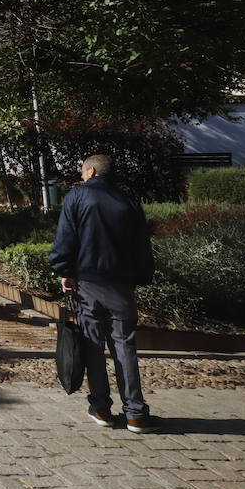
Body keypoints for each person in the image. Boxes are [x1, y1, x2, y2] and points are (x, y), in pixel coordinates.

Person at [49, 153, 157, 433]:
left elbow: (66, 237)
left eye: (83, 171)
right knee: (124, 346)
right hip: (122, 285)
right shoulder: (129, 201)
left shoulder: (77, 196)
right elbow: (141, 244)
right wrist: (142, 276)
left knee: (93, 346)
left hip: (88, 283)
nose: (81, 175)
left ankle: (101, 408)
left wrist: (64, 270)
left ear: (92, 172)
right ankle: (135, 414)